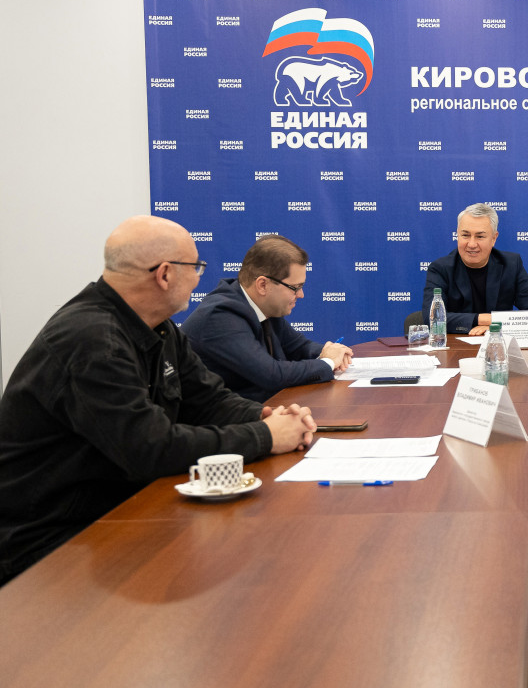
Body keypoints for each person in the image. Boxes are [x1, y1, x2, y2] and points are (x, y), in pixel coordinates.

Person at [0, 216, 317, 586]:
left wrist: (268, 416)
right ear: (165, 274)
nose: (199, 279)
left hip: (118, 512)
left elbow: (208, 399)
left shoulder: (159, 327)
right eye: (195, 267)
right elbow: (149, 447)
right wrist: (266, 436)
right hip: (51, 543)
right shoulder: (92, 340)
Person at [182, 234, 353, 402]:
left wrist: (331, 352)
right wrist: (328, 362)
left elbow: (300, 346)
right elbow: (272, 375)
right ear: (263, 285)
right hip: (222, 417)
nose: (301, 295)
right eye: (295, 287)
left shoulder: (265, 307)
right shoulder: (220, 317)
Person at [422, 203, 528, 336]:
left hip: (498, 344)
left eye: (480, 236)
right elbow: (432, 319)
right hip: (456, 345)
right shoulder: (440, 269)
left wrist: (494, 327)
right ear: (457, 235)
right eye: (465, 235)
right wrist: (484, 319)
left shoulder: (511, 264)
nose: (472, 244)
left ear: (494, 238)